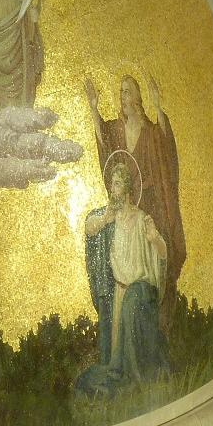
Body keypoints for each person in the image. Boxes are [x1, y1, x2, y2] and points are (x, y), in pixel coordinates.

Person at [84, 74, 185, 333]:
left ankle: (159, 324)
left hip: (151, 206)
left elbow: (167, 150)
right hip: (128, 210)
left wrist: (158, 107)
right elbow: (105, 142)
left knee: (156, 263)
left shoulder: (150, 131)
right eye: (121, 92)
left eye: (127, 91)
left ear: (138, 97)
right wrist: (94, 109)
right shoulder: (117, 130)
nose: (123, 97)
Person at [76, 163, 169, 396]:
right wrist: (104, 219)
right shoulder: (111, 219)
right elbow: (89, 227)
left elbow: (162, 253)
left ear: (127, 188)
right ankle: (123, 376)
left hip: (138, 294)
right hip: (119, 293)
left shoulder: (141, 219)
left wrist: (154, 238)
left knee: (133, 348)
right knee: (118, 354)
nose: (112, 189)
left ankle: (138, 379)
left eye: (116, 184)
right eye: (111, 184)